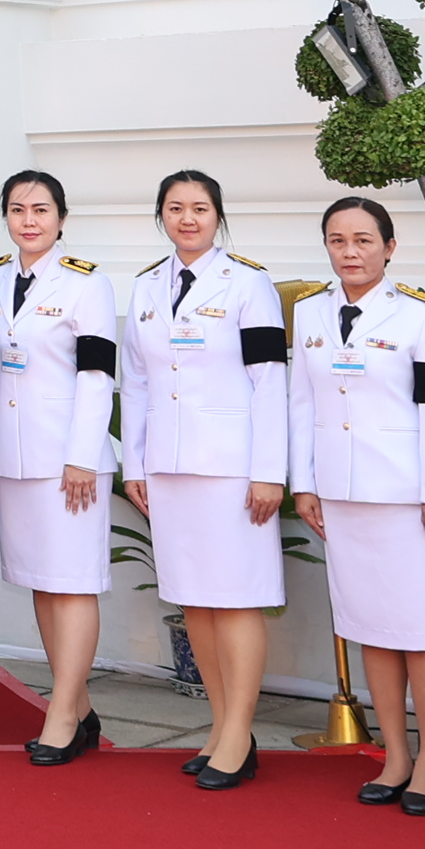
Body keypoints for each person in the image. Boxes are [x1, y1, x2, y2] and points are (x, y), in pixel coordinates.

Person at [285, 197, 425, 816]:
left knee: (423, 631)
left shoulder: (421, 316)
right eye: (338, 240)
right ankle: (394, 754)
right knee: (372, 628)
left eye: (364, 240)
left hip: (407, 496)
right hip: (341, 495)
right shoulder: (310, 311)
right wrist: (304, 482)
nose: (351, 252)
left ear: (389, 248)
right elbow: (300, 403)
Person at [119, 169, 289, 791]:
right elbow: (134, 382)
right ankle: (221, 727)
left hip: (233, 467)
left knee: (237, 597)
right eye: (174, 208)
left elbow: (271, 380)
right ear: (160, 216)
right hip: (168, 465)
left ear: (218, 215)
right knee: (195, 599)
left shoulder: (249, 283)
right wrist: (133, 464)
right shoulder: (143, 288)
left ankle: (239, 734)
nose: (187, 219)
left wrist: (270, 472)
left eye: (199, 208)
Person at [0, 170, 117, 767]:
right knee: (41, 579)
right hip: (12, 455)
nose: (29, 220)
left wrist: (83, 455)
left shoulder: (87, 285)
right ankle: (81, 706)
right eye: (17, 209)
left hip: (68, 459)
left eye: (41, 209)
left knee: (73, 581)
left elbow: (96, 376)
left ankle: (61, 712)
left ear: (62, 217)